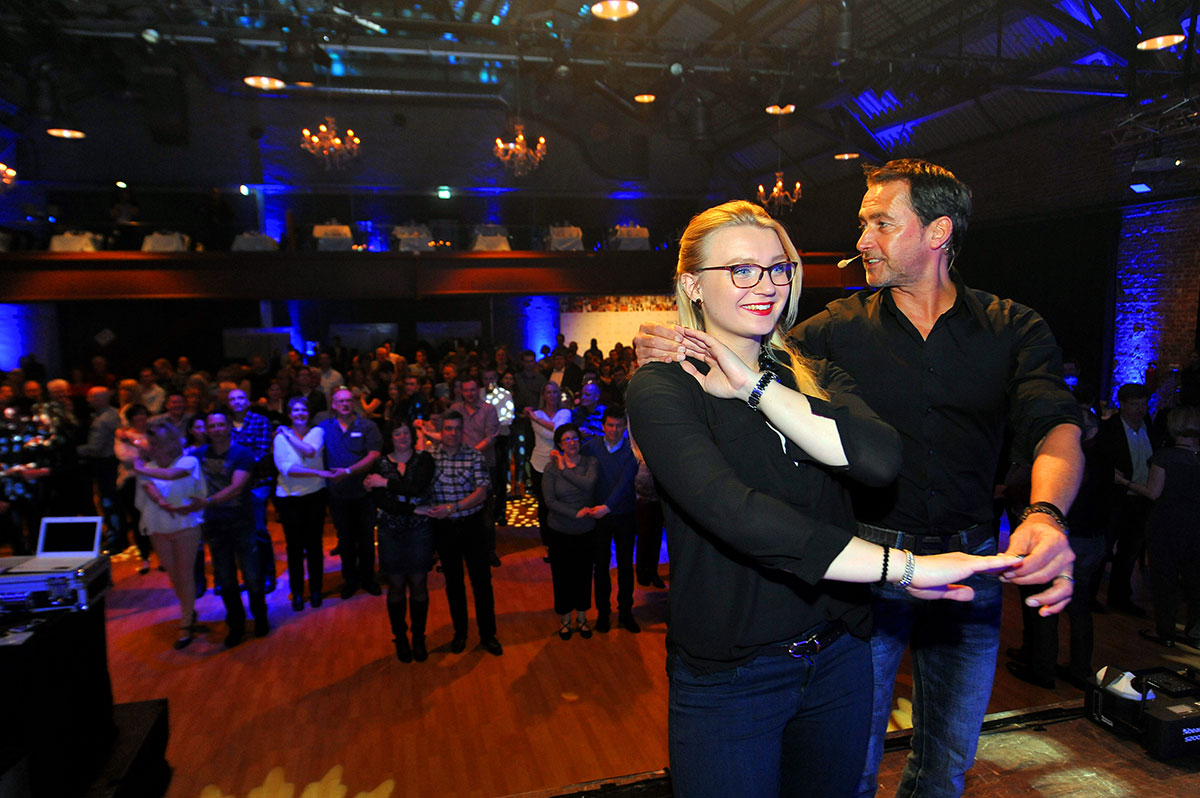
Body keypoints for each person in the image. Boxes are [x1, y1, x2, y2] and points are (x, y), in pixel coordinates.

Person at [627, 199, 1022, 797]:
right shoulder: (662, 388)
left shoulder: (813, 374)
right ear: (693, 286)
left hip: (838, 659)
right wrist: (906, 568)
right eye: (741, 270)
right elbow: (738, 515)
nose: (766, 285)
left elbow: (879, 462)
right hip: (733, 678)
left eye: (778, 268)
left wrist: (754, 385)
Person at [417, 411, 502, 656]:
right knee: (453, 584)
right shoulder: (430, 457)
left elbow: (481, 493)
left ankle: (488, 635)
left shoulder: (474, 455)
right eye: (448, 428)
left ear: (462, 430)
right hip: (445, 529)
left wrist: (452, 508)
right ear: (441, 431)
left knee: (482, 582)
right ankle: (460, 633)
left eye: (456, 428)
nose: (452, 433)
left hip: (472, 525)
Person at [193, 408, 269, 647]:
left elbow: (236, 487)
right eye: (211, 426)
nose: (216, 430)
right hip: (214, 524)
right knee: (225, 578)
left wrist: (207, 501)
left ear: (228, 427)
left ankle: (260, 618)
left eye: (220, 425)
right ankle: (236, 625)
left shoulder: (242, 453)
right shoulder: (198, 455)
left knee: (252, 575)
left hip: (241, 521)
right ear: (206, 430)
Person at [364, 419, 436, 662]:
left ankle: (419, 637)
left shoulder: (424, 459)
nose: (403, 437)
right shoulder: (380, 463)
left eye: (406, 432)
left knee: (418, 584)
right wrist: (414, 509)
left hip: (419, 531)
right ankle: (400, 636)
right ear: (390, 437)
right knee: (395, 586)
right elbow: (383, 502)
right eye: (398, 433)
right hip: (390, 531)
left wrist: (385, 482)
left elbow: (417, 488)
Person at [134, 419, 207, 649]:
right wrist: (161, 502)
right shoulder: (148, 466)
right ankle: (189, 610)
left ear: (173, 441)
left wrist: (140, 468)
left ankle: (185, 623)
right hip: (158, 526)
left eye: (161, 441)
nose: (157, 446)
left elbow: (172, 475)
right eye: (154, 442)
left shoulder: (189, 461)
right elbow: (148, 487)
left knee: (185, 575)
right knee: (175, 576)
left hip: (185, 525)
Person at [1131, 405, 1200, 647]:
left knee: (1164, 578)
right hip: (1196, 524)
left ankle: (1166, 632)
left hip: (1167, 522)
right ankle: (1195, 633)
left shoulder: (1165, 457)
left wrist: (1124, 482)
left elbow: (1153, 492)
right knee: (1195, 580)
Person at [1097, 383, 1156, 615]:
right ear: (1122, 404)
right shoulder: (1109, 429)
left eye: (1143, 404)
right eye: (1134, 404)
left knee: (1129, 551)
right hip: (1116, 498)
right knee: (1104, 548)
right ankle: (1089, 596)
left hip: (1141, 498)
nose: (1139, 409)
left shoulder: (1148, 427)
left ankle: (1119, 597)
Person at [321, 388, 383, 598]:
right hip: (337, 494)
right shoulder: (324, 428)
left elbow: (373, 455)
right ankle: (350, 580)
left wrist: (348, 471)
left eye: (348, 400)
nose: (345, 404)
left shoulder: (368, 426)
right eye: (341, 401)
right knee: (345, 539)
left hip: (364, 492)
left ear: (353, 403)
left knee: (366, 538)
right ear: (333, 404)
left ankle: (368, 579)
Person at [583, 406, 640, 633]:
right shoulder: (591, 447)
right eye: (610, 425)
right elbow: (574, 458)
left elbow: (625, 484)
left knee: (625, 566)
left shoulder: (631, 450)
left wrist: (605, 507)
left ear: (625, 427)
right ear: (603, 425)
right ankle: (603, 613)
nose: (614, 430)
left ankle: (625, 612)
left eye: (619, 426)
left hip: (624, 514)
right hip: (600, 517)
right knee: (601, 566)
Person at [273, 396, 332, 611]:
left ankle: (316, 590)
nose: (300, 413)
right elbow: (287, 468)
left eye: (303, 409)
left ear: (309, 412)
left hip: (315, 495)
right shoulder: (278, 438)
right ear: (289, 414)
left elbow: (309, 451)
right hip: (289, 498)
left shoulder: (316, 432)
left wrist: (288, 434)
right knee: (295, 548)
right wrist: (317, 472)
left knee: (315, 545)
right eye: (295, 410)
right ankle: (297, 592)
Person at [542, 423, 600, 639]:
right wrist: (574, 513)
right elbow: (549, 501)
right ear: (559, 444)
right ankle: (565, 618)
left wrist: (565, 469)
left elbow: (588, 485)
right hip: (559, 530)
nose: (571, 442)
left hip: (586, 530)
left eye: (574, 438)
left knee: (584, 575)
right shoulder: (551, 468)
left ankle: (582, 617)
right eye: (566, 439)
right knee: (562, 576)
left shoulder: (590, 462)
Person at [526, 381, 572, 556]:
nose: (551, 395)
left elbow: (559, 431)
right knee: (544, 504)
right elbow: (554, 433)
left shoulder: (565, 412)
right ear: (543, 395)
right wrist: (548, 425)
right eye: (548, 392)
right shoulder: (537, 412)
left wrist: (536, 419)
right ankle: (548, 543)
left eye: (554, 392)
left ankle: (561, 539)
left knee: (561, 503)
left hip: (560, 464)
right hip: (539, 464)